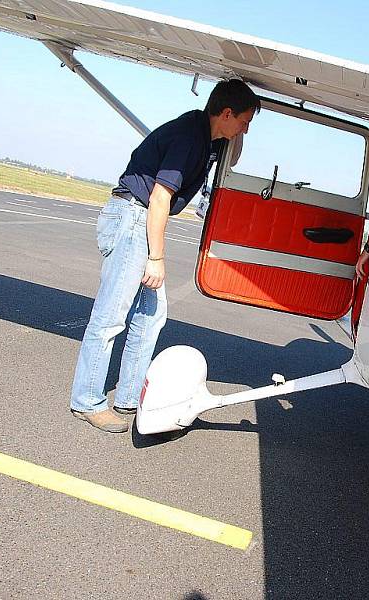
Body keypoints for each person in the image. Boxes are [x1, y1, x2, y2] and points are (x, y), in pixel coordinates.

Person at [70, 79, 260, 433]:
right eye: (244, 121)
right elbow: (159, 197)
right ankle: (87, 401)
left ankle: (128, 396)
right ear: (227, 113)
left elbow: (234, 154)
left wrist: (240, 125)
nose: (245, 129)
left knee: (151, 316)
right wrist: (156, 258)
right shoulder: (190, 137)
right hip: (133, 219)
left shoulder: (210, 137)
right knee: (111, 318)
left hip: (141, 219)